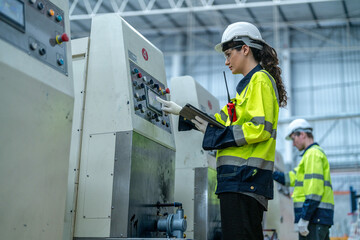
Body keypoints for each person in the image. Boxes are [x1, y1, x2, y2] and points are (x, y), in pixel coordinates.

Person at [157, 22, 287, 240]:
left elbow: (259, 129)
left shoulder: (261, 80)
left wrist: (217, 135)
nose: (226, 61)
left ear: (245, 49)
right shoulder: (242, 94)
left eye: (229, 54)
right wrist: (182, 113)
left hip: (246, 180)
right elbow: (217, 122)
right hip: (236, 181)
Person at [273, 119, 334, 240]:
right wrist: (271, 174)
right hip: (317, 218)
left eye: (293, 139)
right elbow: (290, 178)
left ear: (302, 134)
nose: (293, 144)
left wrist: (305, 218)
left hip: (313, 218)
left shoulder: (313, 155)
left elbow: (314, 192)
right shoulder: (309, 156)